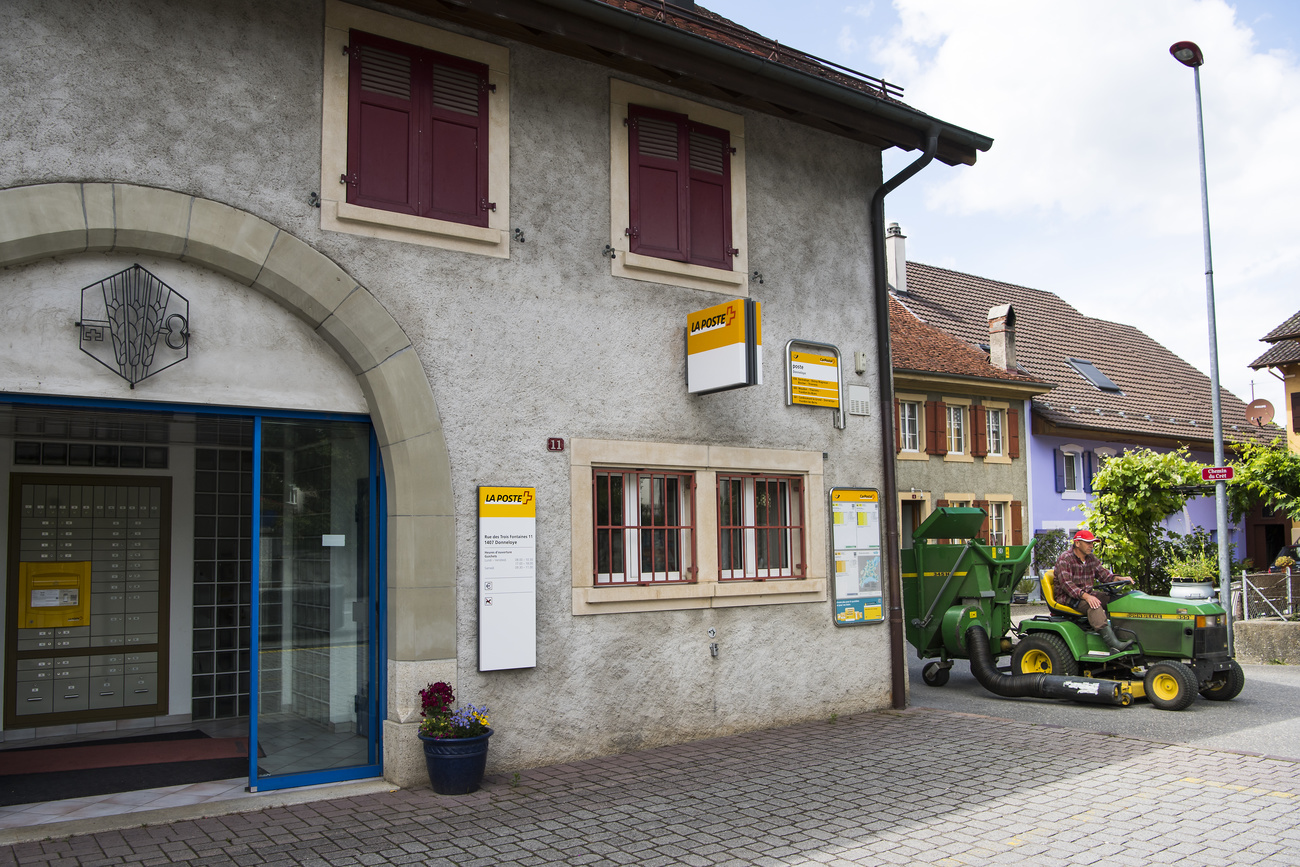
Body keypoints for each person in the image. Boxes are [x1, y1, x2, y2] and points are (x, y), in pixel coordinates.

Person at [1053, 529, 1136, 652]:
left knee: (1115, 600)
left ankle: (1126, 634)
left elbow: (1104, 575)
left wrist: (1119, 578)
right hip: (1068, 597)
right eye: (1088, 543)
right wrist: (1087, 597)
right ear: (1077, 543)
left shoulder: (1091, 558)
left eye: (1092, 543)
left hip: (1087, 593)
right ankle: (1114, 645)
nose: (1091, 545)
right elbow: (1067, 584)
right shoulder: (1065, 559)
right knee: (1095, 605)